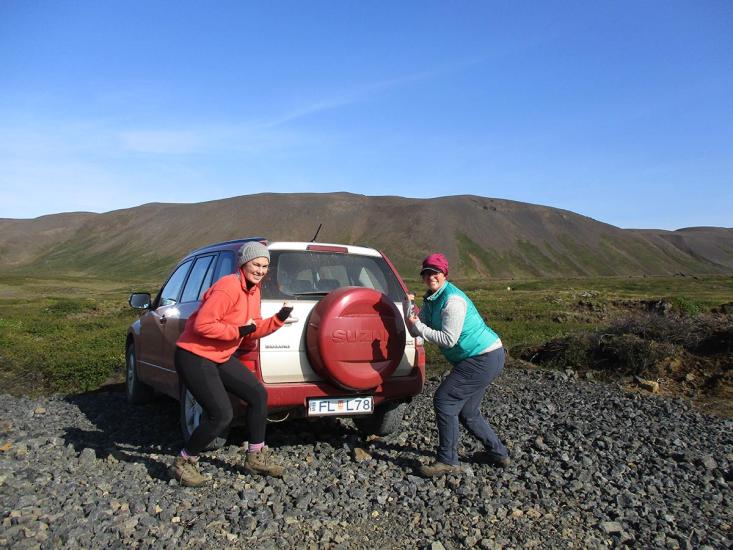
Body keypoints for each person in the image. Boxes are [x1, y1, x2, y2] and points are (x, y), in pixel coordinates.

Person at [170, 241, 293, 487]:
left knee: (257, 394)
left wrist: (278, 319)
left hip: (220, 356)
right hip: (195, 355)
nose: (260, 270)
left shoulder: (254, 291)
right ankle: (183, 461)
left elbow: (252, 329)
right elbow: (202, 325)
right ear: (243, 264)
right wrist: (239, 329)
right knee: (221, 414)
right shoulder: (228, 287)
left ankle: (255, 456)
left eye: (265, 266)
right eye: (256, 264)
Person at [406, 253, 509, 477]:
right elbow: (420, 324)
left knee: (445, 400)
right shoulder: (432, 298)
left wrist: (419, 327)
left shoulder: (452, 300)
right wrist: (411, 320)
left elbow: (447, 339)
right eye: (426, 272)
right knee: (468, 411)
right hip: (482, 357)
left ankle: (447, 460)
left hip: (482, 357)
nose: (431, 276)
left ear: (444, 274)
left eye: (435, 272)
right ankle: (498, 453)